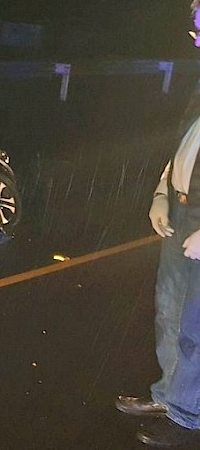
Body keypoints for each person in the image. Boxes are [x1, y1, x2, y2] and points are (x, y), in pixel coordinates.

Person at [116, 89, 200, 447]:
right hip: (182, 215)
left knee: (195, 323)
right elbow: (178, 156)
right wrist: (161, 197)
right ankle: (170, 394)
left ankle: (188, 413)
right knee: (169, 311)